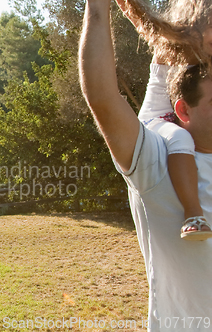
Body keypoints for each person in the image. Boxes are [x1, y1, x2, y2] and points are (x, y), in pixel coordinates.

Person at [79, 0, 212, 330]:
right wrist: (97, 8)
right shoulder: (157, 162)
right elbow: (103, 98)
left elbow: (169, 50)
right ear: (185, 111)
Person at [115, 0, 212, 240]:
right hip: (158, 116)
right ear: (191, 31)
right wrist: (128, 5)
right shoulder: (171, 45)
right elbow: (145, 26)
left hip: (181, 112)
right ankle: (193, 215)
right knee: (180, 138)